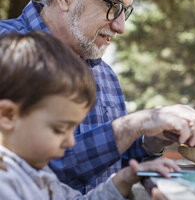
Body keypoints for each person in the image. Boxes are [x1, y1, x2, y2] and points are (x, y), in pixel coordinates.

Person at [0, 0, 195, 192]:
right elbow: (32, 171)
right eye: (113, 6)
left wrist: (151, 140)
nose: (121, 26)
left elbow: (116, 167)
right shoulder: (7, 49)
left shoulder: (104, 73)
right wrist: (132, 124)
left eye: (125, 11)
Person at [0, 31, 179, 199]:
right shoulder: (5, 184)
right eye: (60, 129)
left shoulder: (38, 172)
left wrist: (124, 179)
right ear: (7, 115)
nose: (71, 142)